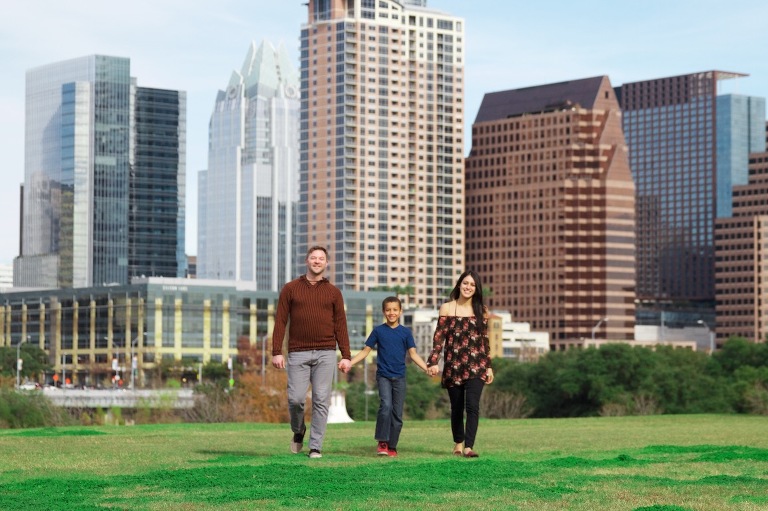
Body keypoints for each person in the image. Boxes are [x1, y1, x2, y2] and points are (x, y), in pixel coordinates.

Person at [271, 246, 352, 459]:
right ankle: (298, 430)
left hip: (326, 352)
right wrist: (276, 351)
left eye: (321, 259)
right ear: (307, 261)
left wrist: (346, 355)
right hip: (297, 353)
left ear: (326, 264)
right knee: (295, 399)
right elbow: (280, 320)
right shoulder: (290, 289)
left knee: (321, 400)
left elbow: (341, 325)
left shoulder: (334, 292)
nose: (317, 261)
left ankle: (315, 446)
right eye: (313, 258)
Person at [343, 296, 428, 457]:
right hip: (383, 376)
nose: (391, 313)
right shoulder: (378, 331)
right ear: (383, 312)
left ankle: (392, 446)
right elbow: (365, 351)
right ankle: (382, 441)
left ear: (400, 311)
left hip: (400, 378)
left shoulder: (405, 333)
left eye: (395, 309)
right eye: (388, 310)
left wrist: (426, 368)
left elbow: (413, 354)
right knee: (386, 406)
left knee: (397, 414)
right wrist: (350, 363)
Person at [426, 270, 494, 458]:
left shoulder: (483, 311)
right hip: (453, 366)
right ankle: (458, 442)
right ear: (459, 285)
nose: (468, 287)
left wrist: (488, 366)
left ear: (477, 289)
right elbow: (438, 339)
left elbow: (485, 341)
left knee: (472, 405)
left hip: (476, 365)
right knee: (456, 407)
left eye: (472, 285)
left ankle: (469, 447)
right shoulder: (447, 308)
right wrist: (433, 362)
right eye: (465, 283)